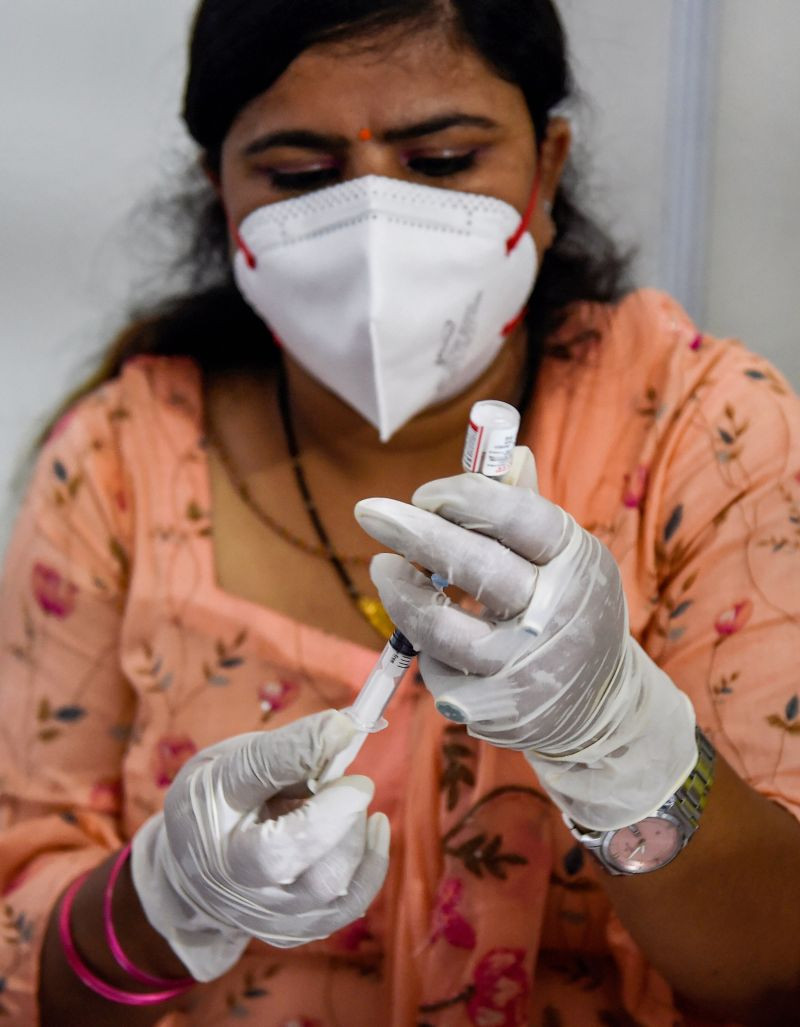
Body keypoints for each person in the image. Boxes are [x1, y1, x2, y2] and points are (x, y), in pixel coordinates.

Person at [1, 0, 799, 1024]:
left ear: (544, 169)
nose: (374, 229)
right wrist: (160, 903)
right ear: (222, 194)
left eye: (442, 161)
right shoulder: (116, 469)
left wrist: (619, 737)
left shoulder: (704, 437)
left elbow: (776, 975)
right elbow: (34, 979)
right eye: (298, 177)